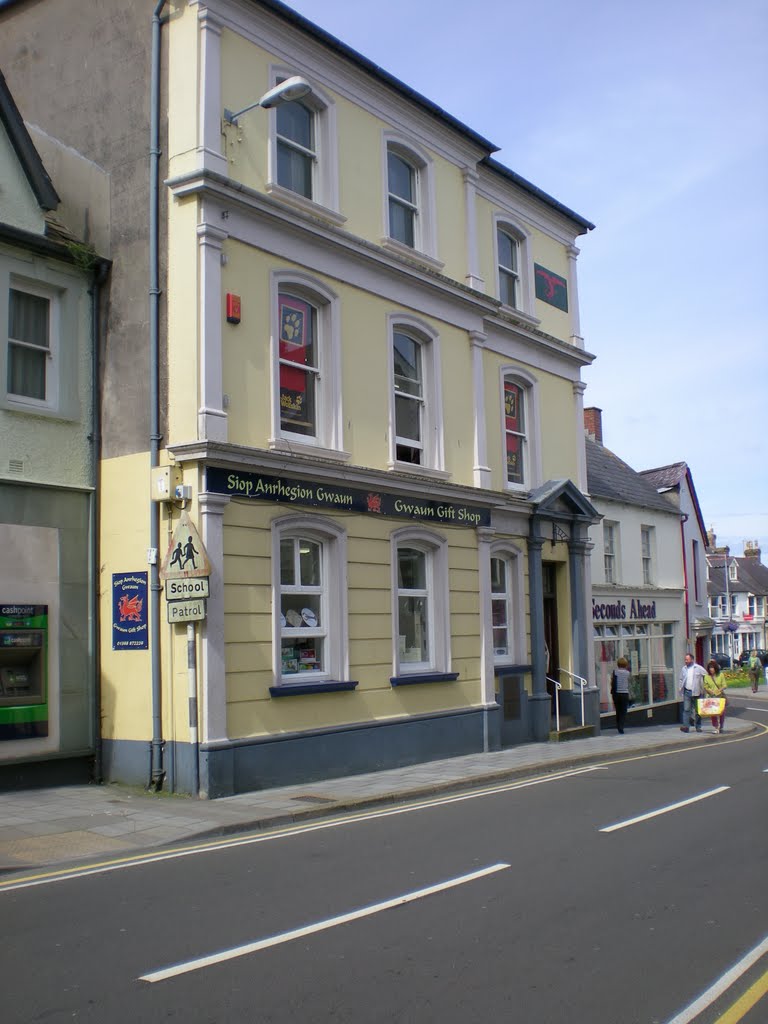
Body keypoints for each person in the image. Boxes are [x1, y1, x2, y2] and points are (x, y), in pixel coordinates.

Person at [678, 652, 706, 732]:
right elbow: (681, 679)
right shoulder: (684, 669)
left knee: (698, 711)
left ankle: (698, 726)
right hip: (687, 691)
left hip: (697, 692)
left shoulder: (698, 668)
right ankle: (686, 727)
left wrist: (703, 688)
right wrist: (680, 688)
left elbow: (706, 676)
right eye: (685, 659)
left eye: (687, 659)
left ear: (692, 660)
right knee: (686, 709)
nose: (685, 661)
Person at [704, 659, 727, 734]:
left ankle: (721, 725)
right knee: (713, 713)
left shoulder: (720, 675)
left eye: (712, 668)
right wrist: (710, 691)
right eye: (710, 668)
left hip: (720, 697)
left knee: (721, 712)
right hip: (711, 697)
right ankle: (716, 727)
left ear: (715, 668)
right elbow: (705, 686)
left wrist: (718, 690)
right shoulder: (707, 676)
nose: (711, 670)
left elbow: (724, 685)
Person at [610, 657, 631, 734]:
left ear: (618, 664)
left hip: (616, 694)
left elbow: (612, 681)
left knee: (618, 710)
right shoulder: (627, 673)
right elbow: (629, 683)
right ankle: (621, 727)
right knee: (623, 711)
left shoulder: (615, 672)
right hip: (624, 693)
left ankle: (618, 725)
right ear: (625, 664)